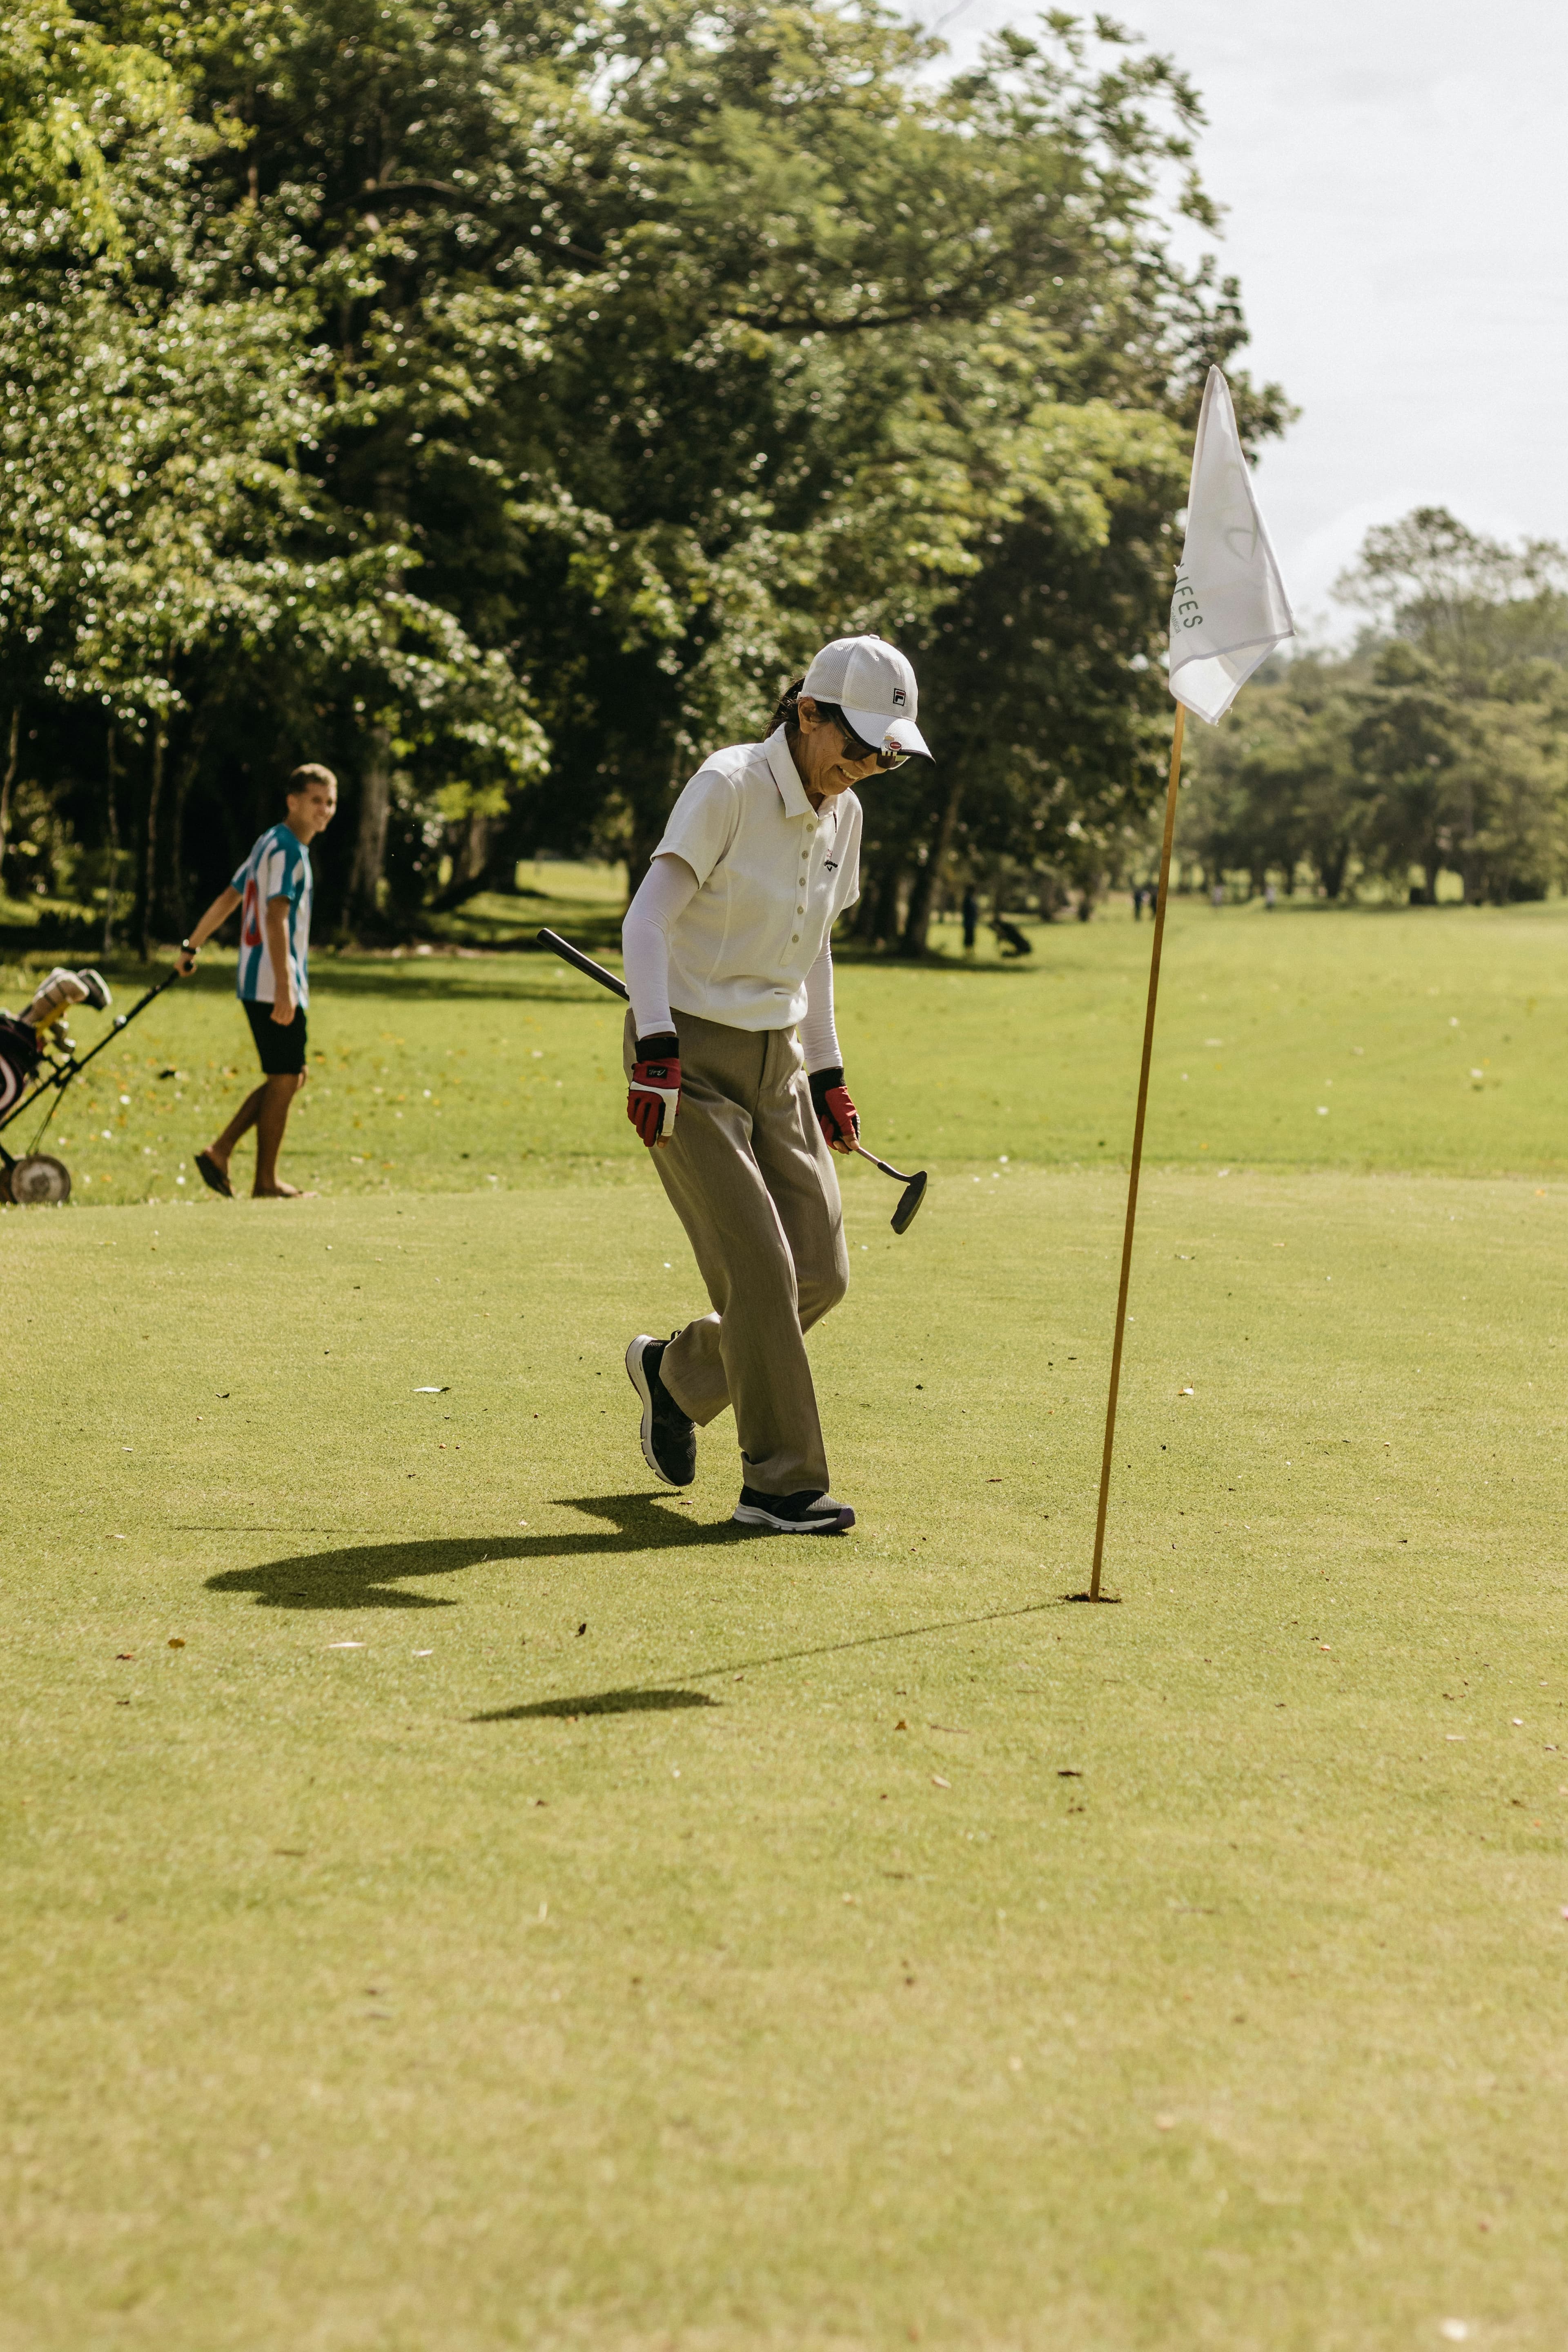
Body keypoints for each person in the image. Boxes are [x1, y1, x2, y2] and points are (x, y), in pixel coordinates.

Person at [619, 635, 929, 1535]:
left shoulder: (844, 813)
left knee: (821, 1273)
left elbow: (815, 946)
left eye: (884, 752)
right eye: (860, 744)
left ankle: (677, 1377)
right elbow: (646, 924)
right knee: (760, 1264)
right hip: (686, 1057)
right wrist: (655, 1050)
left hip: (778, 1060)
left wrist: (828, 1070)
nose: (870, 765)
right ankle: (781, 1485)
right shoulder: (728, 786)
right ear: (807, 716)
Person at [177, 763, 337, 1198]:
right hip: (272, 982)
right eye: (315, 800)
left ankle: (221, 1151)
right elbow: (275, 915)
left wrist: (192, 945)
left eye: (330, 802)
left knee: (290, 1075)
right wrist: (286, 987)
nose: (324, 810)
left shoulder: (269, 841)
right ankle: (264, 1181)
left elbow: (231, 896)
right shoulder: (286, 849)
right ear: (293, 801)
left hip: (259, 980)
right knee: (286, 1078)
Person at [961, 885, 979, 951]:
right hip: (969, 922)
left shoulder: (971, 899)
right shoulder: (968, 899)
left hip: (971, 922)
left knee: (971, 936)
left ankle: (971, 950)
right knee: (968, 937)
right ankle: (968, 951)